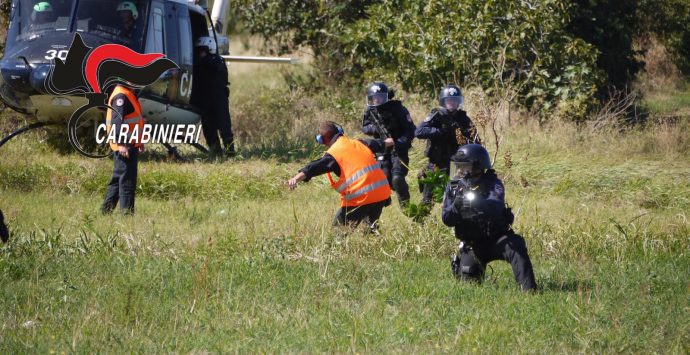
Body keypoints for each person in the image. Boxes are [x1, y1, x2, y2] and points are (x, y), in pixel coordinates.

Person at [441, 144, 537, 291]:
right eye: (458, 166)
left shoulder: (493, 184)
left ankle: (530, 291)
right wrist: (456, 206)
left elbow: (496, 206)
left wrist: (476, 202)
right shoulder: (453, 187)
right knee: (469, 288)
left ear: (477, 167)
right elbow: (446, 219)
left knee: (516, 244)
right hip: (472, 244)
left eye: (465, 166)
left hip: (497, 239)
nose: (460, 170)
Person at [287, 121, 392, 229]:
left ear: (322, 139)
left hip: (362, 197)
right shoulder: (359, 143)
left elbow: (313, 168)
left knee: (338, 232)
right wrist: (399, 140)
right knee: (371, 230)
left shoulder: (334, 154)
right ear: (340, 131)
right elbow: (382, 143)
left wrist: (295, 178)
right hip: (381, 193)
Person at [416, 84, 481, 205]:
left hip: (458, 165)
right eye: (449, 100)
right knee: (428, 199)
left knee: (462, 198)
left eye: (455, 100)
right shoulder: (436, 115)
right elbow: (419, 131)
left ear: (459, 102)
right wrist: (439, 132)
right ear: (443, 101)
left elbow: (476, 140)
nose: (452, 103)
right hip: (437, 163)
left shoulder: (464, 119)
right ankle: (420, 222)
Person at [361, 82, 416, 207]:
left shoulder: (398, 108)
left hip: (399, 149)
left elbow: (411, 130)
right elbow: (365, 127)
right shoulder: (370, 110)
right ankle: (381, 203)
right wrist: (374, 129)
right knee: (382, 180)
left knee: (397, 178)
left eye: (380, 97)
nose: (377, 100)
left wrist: (398, 142)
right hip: (382, 149)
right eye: (374, 98)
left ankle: (406, 206)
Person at [101, 85, 144, 215]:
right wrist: (121, 144)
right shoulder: (121, 95)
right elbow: (116, 121)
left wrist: (139, 141)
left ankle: (105, 211)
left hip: (130, 143)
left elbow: (134, 119)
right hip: (125, 145)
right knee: (127, 181)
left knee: (118, 179)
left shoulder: (128, 92)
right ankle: (127, 215)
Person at [190, 36, 235, 157]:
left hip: (218, 98)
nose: (200, 53)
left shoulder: (217, 60)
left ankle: (230, 152)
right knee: (209, 129)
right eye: (198, 51)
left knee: (224, 125)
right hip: (206, 100)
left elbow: (213, 63)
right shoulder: (200, 65)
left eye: (202, 50)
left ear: (209, 49)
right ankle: (216, 153)